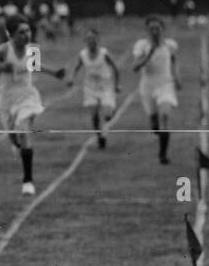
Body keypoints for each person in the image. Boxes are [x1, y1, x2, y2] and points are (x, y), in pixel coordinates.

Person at [0, 15, 65, 196]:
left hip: (27, 96)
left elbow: (35, 66)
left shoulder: (32, 49)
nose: (26, 35)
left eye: (28, 31)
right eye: (21, 32)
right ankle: (16, 144)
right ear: (11, 34)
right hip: (6, 98)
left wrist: (54, 72)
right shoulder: (2, 50)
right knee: (14, 136)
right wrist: (0, 68)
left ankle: (28, 180)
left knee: (24, 128)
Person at [131, 16, 181, 165]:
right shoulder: (141, 46)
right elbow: (134, 67)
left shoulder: (170, 45)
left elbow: (173, 60)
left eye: (157, 28)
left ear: (162, 29)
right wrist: (149, 55)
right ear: (147, 30)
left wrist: (177, 77)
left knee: (165, 116)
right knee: (154, 122)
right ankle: (154, 121)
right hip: (147, 86)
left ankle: (163, 154)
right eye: (151, 29)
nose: (154, 31)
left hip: (165, 84)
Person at [68, 27, 120, 149]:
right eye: (89, 39)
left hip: (105, 87)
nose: (91, 41)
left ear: (97, 39)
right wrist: (71, 78)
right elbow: (76, 66)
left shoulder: (104, 53)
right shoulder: (83, 54)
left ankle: (111, 112)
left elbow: (115, 68)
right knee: (94, 116)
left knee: (107, 114)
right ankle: (100, 137)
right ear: (86, 40)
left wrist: (117, 84)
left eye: (93, 38)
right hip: (90, 88)